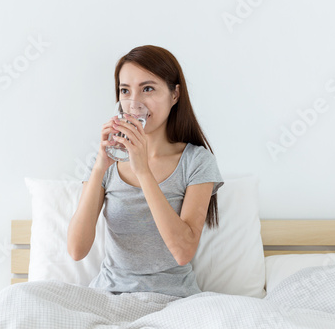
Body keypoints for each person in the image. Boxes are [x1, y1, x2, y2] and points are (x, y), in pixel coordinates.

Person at [67, 45, 224, 298]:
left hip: (173, 300)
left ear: (175, 95)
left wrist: (143, 171)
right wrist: (99, 169)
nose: (134, 103)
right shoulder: (105, 162)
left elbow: (183, 252)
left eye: (148, 89)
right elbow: (76, 250)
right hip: (110, 296)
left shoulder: (196, 162)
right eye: (125, 91)